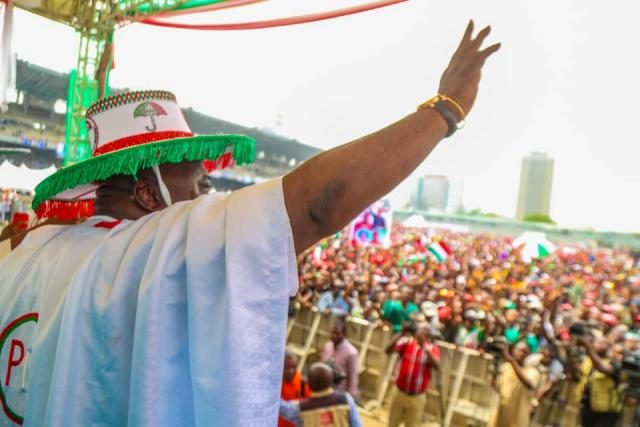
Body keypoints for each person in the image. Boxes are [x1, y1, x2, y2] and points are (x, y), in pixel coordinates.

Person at [0, 21, 500, 425]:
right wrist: (445, 110)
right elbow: (315, 204)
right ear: (149, 192)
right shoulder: (150, 251)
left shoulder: (27, 253)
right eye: (198, 185)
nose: (207, 197)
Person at [386, 323, 441, 427]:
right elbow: (388, 350)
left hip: (417, 396)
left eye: (425, 331)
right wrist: (401, 333)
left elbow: (437, 366)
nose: (421, 333)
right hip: (399, 392)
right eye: (420, 330)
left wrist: (424, 346)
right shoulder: (407, 343)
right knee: (392, 423)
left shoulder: (432, 349)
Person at [279, 362, 363, 427]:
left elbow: (279, 406)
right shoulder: (346, 399)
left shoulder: (300, 409)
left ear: (308, 384)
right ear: (331, 381)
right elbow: (357, 424)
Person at [575, 336, 623, 427]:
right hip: (588, 406)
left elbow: (601, 367)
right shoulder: (588, 361)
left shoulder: (615, 363)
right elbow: (579, 376)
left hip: (606, 412)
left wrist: (588, 347)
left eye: (604, 343)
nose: (601, 345)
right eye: (598, 342)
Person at [494, 342, 541, 427]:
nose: (520, 353)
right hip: (501, 415)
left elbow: (529, 384)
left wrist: (512, 361)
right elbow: (496, 387)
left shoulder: (532, 372)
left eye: (524, 351)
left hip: (518, 420)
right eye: (519, 350)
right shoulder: (506, 367)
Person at [321, 318, 360, 398]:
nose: (333, 336)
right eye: (332, 333)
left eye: (337, 333)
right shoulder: (328, 346)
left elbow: (353, 378)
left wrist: (350, 398)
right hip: (325, 390)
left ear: (344, 334)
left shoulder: (351, 352)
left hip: (340, 394)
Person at [280, 352, 312, 427]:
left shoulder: (302, 383)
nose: (290, 371)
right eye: (286, 367)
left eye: (293, 367)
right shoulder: (275, 383)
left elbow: (311, 404)